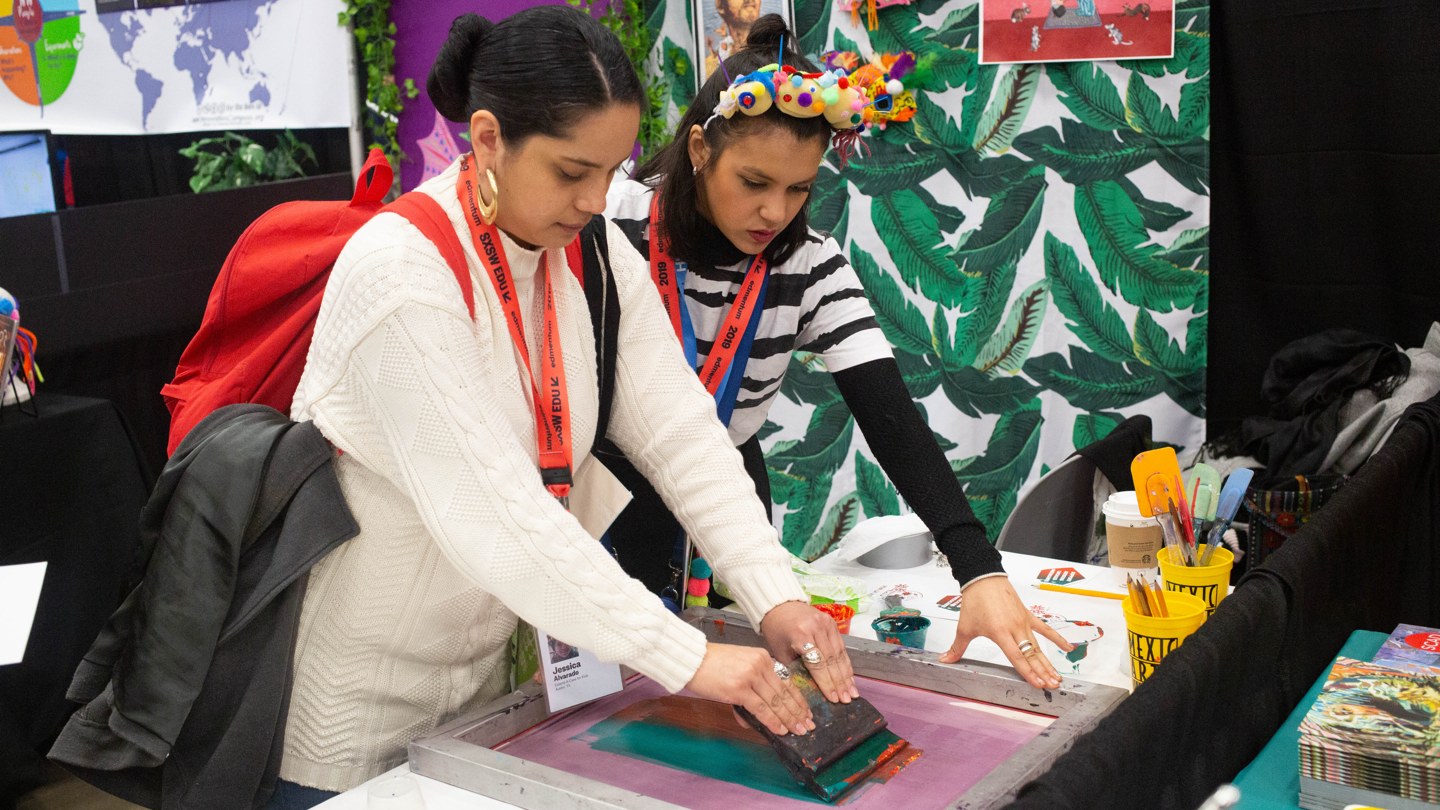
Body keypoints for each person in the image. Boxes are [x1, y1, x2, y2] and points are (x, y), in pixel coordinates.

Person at [268, 7, 855, 807]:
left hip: (486, 702)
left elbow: (684, 436)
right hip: (350, 724)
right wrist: (685, 657)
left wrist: (771, 592)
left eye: (612, 172)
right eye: (571, 171)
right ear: (486, 139)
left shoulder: (594, 257)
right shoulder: (399, 274)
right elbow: (498, 513)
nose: (594, 199)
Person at [603, 15, 1073, 692]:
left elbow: (891, 417)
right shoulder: (611, 221)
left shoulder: (812, 266)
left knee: (743, 696)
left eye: (798, 190)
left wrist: (978, 568)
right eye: (755, 181)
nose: (774, 213)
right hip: (610, 493)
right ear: (701, 149)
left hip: (727, 502)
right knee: (611, 702)